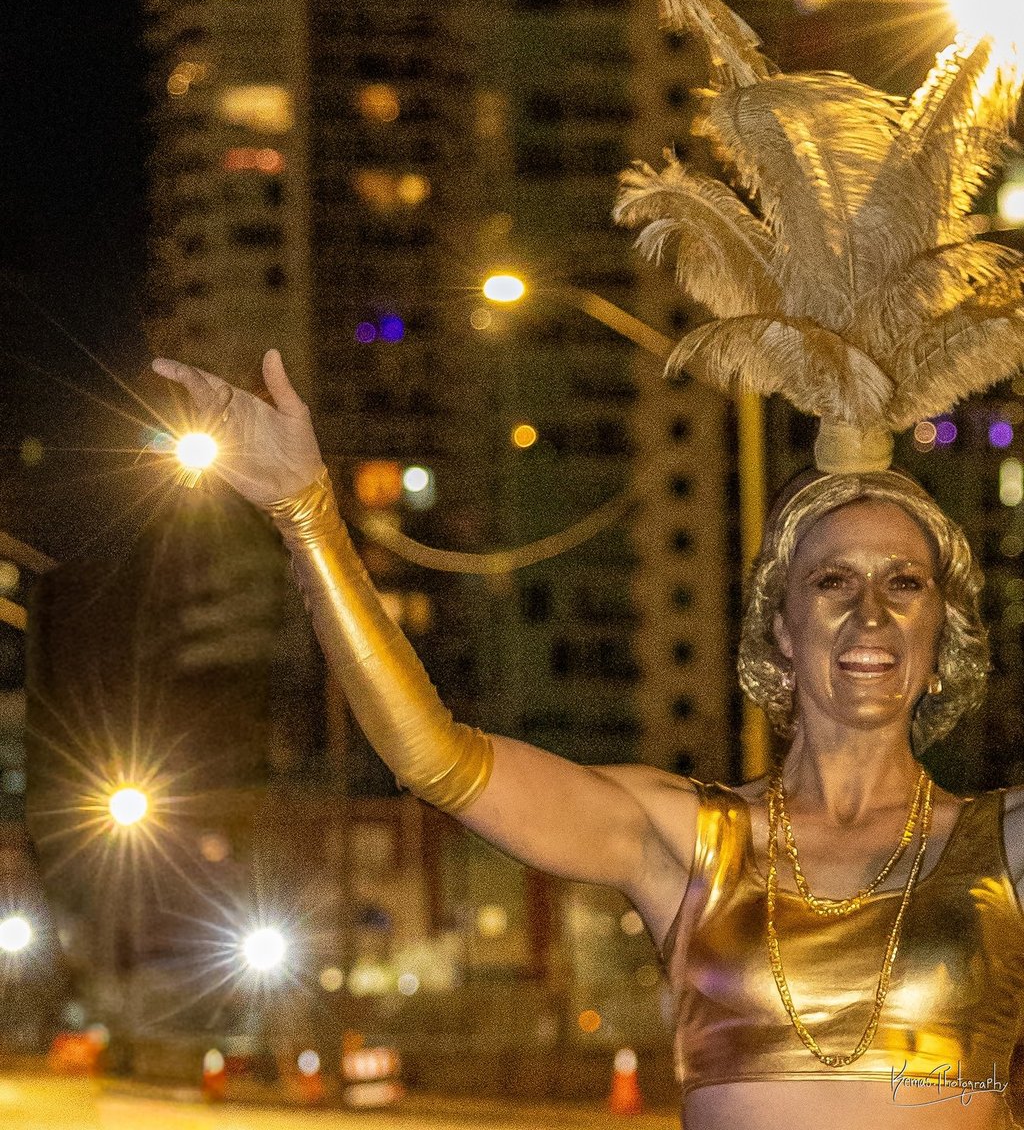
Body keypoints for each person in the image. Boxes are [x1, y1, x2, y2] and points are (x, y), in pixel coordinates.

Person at [152, 349, 1024, 1129]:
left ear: (940, 637)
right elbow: (436, 759)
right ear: (782, 630)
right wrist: (307, 514)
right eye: (833, 580)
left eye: (905, 584)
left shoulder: (1004, 851)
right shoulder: (686, 840)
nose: (871, 612)